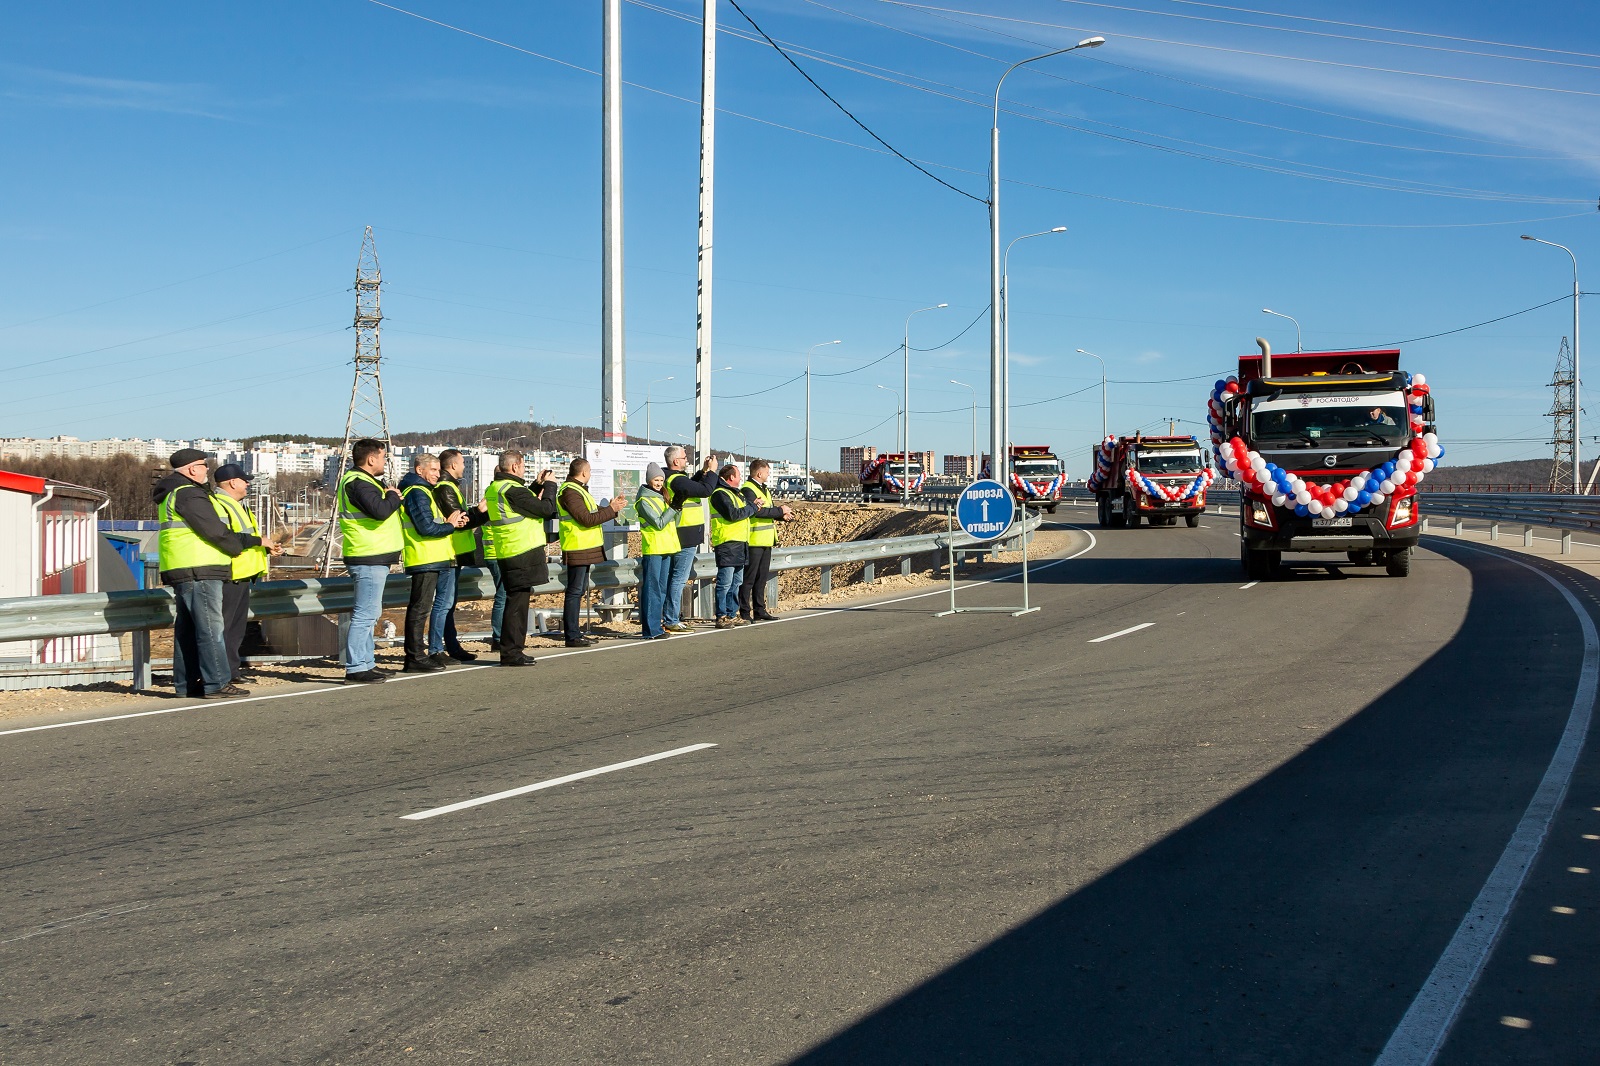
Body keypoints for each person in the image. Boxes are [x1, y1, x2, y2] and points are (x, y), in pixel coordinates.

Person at [153, 448, 262, 699]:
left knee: (189, 630)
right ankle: (216, 683)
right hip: (199, 568)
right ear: (192, 469)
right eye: (204, 466)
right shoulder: (188, 494)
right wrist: (235, 549)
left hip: (185, 566)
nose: (206, 471)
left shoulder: (174, 493)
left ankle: (188, 683)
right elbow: (214, 531)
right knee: (210, 629)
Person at [337, 438, 404, 684]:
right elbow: (380, 510)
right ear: (371, 458)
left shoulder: (364, 481)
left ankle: (366, 663)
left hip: (373, 554)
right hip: (367, 555)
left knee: (370, 613)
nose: (385, 461)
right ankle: (355, 667)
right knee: (366, 614)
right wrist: (393, 496)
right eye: (383, 457)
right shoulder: (358, 482)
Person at [483, 449, 559, 666]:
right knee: (517, 606)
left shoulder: (498, 487)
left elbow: (521, 504)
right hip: (520, 552)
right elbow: (545, 508)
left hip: (508, 551)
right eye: (523, 465)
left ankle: (511, 650)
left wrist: (537, 485)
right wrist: (550, 485)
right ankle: (511, 652)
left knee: (514, 603)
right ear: (515, 466)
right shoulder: (512, 490)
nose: (524, 469)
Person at [211, 463, 283, 682]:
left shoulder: (238, 505)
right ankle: (223, 674)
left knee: (235, 630)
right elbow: (228, 538)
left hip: (242, 574)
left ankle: (231, 672)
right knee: (225, 629)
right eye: (244, 480)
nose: (248, 483)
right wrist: (261, 541)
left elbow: (246, 538)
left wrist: (266, 547)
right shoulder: (219, 505)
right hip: (229, 574)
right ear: (233, 482)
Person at [398, 453, 469, 672]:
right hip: (425, 558)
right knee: (420, 610)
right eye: (434, 470)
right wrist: (450, 525)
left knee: (427, 608)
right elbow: (426, 527)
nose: (438, 475)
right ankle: (415, 656)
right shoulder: (417, 492)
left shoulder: (425, 491)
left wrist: (452, 523)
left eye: (439, 470)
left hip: (437, 557)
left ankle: (426, 653)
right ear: (420, 470)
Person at [557, 458, 625, 648]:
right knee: (575, 591)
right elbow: (587, 519)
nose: (591, 474)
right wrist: (610, 510)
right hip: (577, 546)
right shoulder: (570, 491)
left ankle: (575, 633)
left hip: (583, 546)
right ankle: (572, 635)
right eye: (590, 471)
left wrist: (612, 509)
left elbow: (591, 511)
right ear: (584, 473)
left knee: (577, 590)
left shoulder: (576, 490)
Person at [433, 448, 487, 662]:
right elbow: (460, 521)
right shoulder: (446, 488)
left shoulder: (450, 487)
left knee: (448, 603)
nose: (464, 466)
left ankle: (451, 646)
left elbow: (461, 517)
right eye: (463, 462)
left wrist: (475, 512)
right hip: (450, 552)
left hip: (455, 552)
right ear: (453, 465)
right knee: (444, 604)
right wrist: (481, 513)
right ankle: (439, 648)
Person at [661, 445, 719, 633]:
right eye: (684, 458)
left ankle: (670, 616)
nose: (687, 461)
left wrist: (703, 471)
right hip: (684, 534)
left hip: (682, 533)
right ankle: (671, 618)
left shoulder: (674, 479)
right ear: (676, 461)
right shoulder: (676, 480)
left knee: (674, 578)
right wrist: (711, 472)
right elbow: (705, 490)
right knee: (679, 578)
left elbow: (692, 485)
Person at [738, 459, 794, 622]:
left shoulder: (763, 489)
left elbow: (768, 511)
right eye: (767, 472)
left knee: (761, 578)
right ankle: (744, 612)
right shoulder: (748, 489)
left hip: (766, 540)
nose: (769, 475)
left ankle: (760, 610)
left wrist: (782, 516)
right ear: (759, 473)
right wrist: (779, 510)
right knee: (749, 579)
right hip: (754, 540)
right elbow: (757, 512)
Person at [709, 462, 761, 629]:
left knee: (736, 582)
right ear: (731, 477)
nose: (740, 479)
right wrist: (752, 507)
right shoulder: (720, 494)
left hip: (739, 543)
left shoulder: (736, 494)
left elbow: (743, 511)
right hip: (727, 543)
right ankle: (722, 616)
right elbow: (734, 514)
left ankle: (732, 613)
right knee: (725, 582)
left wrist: (752, 506)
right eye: (738, 475)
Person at [634, 462, 679, 640]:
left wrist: (677, 506)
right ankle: (651, 630)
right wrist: (673, 508)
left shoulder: (661, 497)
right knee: (652, 589)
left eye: (661, 479)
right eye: (656, 480)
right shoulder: (644, 501)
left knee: (660, 589)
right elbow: (659, 523)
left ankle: (657, 626)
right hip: (654, 548)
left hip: (667, 547)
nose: (659, 483)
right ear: (649, 480)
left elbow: (672, 520)